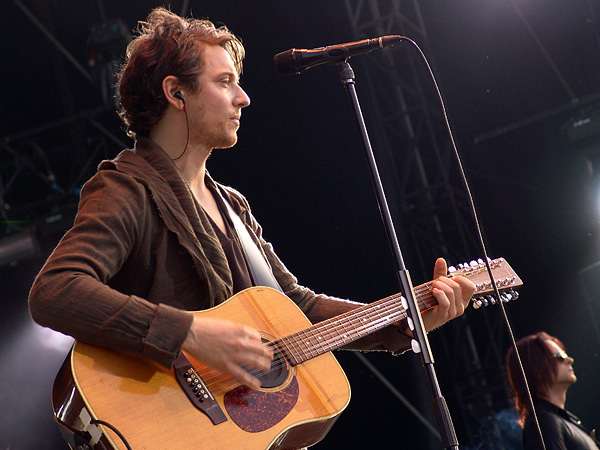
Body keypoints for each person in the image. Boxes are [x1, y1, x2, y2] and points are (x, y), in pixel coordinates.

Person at [28, 6, 475, 448]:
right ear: (176, 93)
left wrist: (408, 319)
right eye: (225, 82)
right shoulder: (126, 188)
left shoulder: (232, 205)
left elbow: (295, 307)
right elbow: (56, 290)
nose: (243, 97)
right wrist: (188, 333)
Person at [505, 331, 599, 450]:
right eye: (560, 356)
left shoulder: (563, 420)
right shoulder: (544, 423)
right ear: (536, 370)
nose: (569, 360)